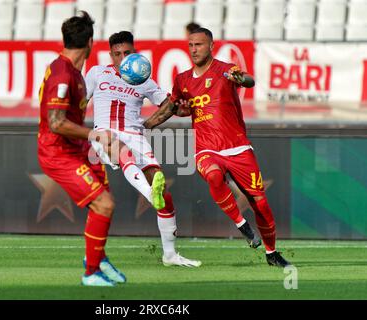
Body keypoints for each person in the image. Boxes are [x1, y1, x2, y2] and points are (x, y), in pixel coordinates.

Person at [144, 28, 291, 267]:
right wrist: (147, 124)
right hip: (206, 147)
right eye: (191, 45)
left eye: (199, 45)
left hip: (237, 147)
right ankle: (242, 225)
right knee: (213, 175)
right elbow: (174, 108)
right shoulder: (182, 80)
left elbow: (249, 80)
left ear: (211, 46)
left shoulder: (225, 70)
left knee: (260, 203)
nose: (194, 50)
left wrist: (241, 79)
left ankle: (271, 252)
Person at [85, 31, 201, 267]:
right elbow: (79, 102)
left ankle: (170, 255)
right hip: (104, 133)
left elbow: (172, 107)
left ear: (135, 52)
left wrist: (184, 107)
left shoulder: (144, 80)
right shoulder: (97, 73)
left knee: (163, 192)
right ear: (110, 55)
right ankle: (150, 195)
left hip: (135, 135)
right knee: (121, 149)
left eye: (127, 53)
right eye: (117, 54)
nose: (123, 58)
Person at [38, 11, 125, 287]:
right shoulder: (63, 74)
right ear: (90, 42)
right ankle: (91, 273)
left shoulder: (72, 71)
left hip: (75, 148)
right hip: (58, 153)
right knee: (104, 204)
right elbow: (56, 123)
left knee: (104, 201)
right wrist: (95, 135)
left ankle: (96, 259)